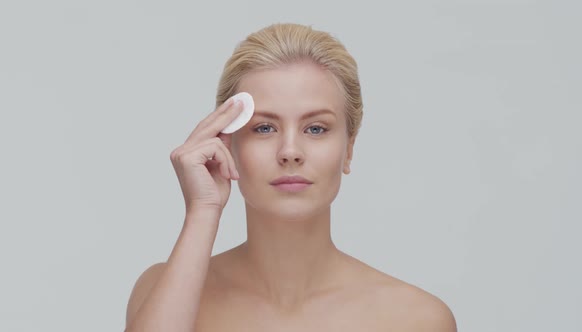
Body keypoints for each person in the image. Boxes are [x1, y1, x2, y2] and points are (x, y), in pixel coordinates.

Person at [124, 22, 457, 332]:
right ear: (227, 145)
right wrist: (202, 211)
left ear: (349, 149)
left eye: (315, 128)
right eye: (264, 128)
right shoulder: (163, 292)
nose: (290, 151)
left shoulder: (416, 318)